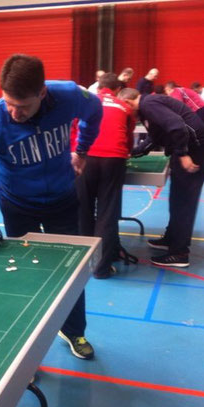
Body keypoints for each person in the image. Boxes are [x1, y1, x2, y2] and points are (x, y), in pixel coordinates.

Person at [0, 54, 102, 360]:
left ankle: (74, 331)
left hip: (63, 201)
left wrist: (81, 149)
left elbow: (94, 110)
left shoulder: (68, 95)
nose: (15, 113)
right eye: (9, 103)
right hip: (18, 206)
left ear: (42, 93)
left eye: (24, 106)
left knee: (72, 273)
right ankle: (24, 348)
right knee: (21, 275)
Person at [119, 88, 204, 268]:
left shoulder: (148, 104)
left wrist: (183, 154)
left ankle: (179, 253)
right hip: (191, 147)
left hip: (195, 148)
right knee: (177, 198)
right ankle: (171, 238)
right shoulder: (148, 107)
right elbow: (154, 138)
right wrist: (132, 153)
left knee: (185, 200)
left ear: (129, 102)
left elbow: (176, 125)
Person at [75, 72, 135, 279]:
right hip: (114, 160)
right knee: (107, 213)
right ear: (118, 89)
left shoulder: (84, 103)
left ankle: (83, 261)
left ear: (98, 86)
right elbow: (128, 140)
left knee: (83, 208)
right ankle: (101, 268)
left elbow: (74, 131)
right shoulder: (124, 107)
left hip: (86, 158)